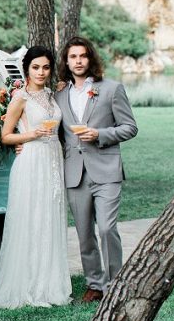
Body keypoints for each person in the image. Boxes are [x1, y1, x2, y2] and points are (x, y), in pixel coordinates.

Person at [0, 46, 72, 309]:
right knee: (31, 218)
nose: (41, 72)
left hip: (54, 160)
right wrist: (30, 136)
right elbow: (6, 135)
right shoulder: (20, 98)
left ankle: (49, 283)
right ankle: (28, 283)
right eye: (36, 67)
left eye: (46, 67)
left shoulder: (52, 94)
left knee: (50, 218)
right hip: (32, 160)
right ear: (27, 69)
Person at [54, 36, 137, 302]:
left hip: (106, 170)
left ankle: (115, 285)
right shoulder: (58, 95)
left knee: (106, 229)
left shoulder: (111, 89)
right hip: (75, 173)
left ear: (90, 58)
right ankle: (94, 284)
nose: (78, 61)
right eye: (73, 57)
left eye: (83, 56)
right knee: (84, 233)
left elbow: (130, 127)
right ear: (67, 62)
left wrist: (99, 134)